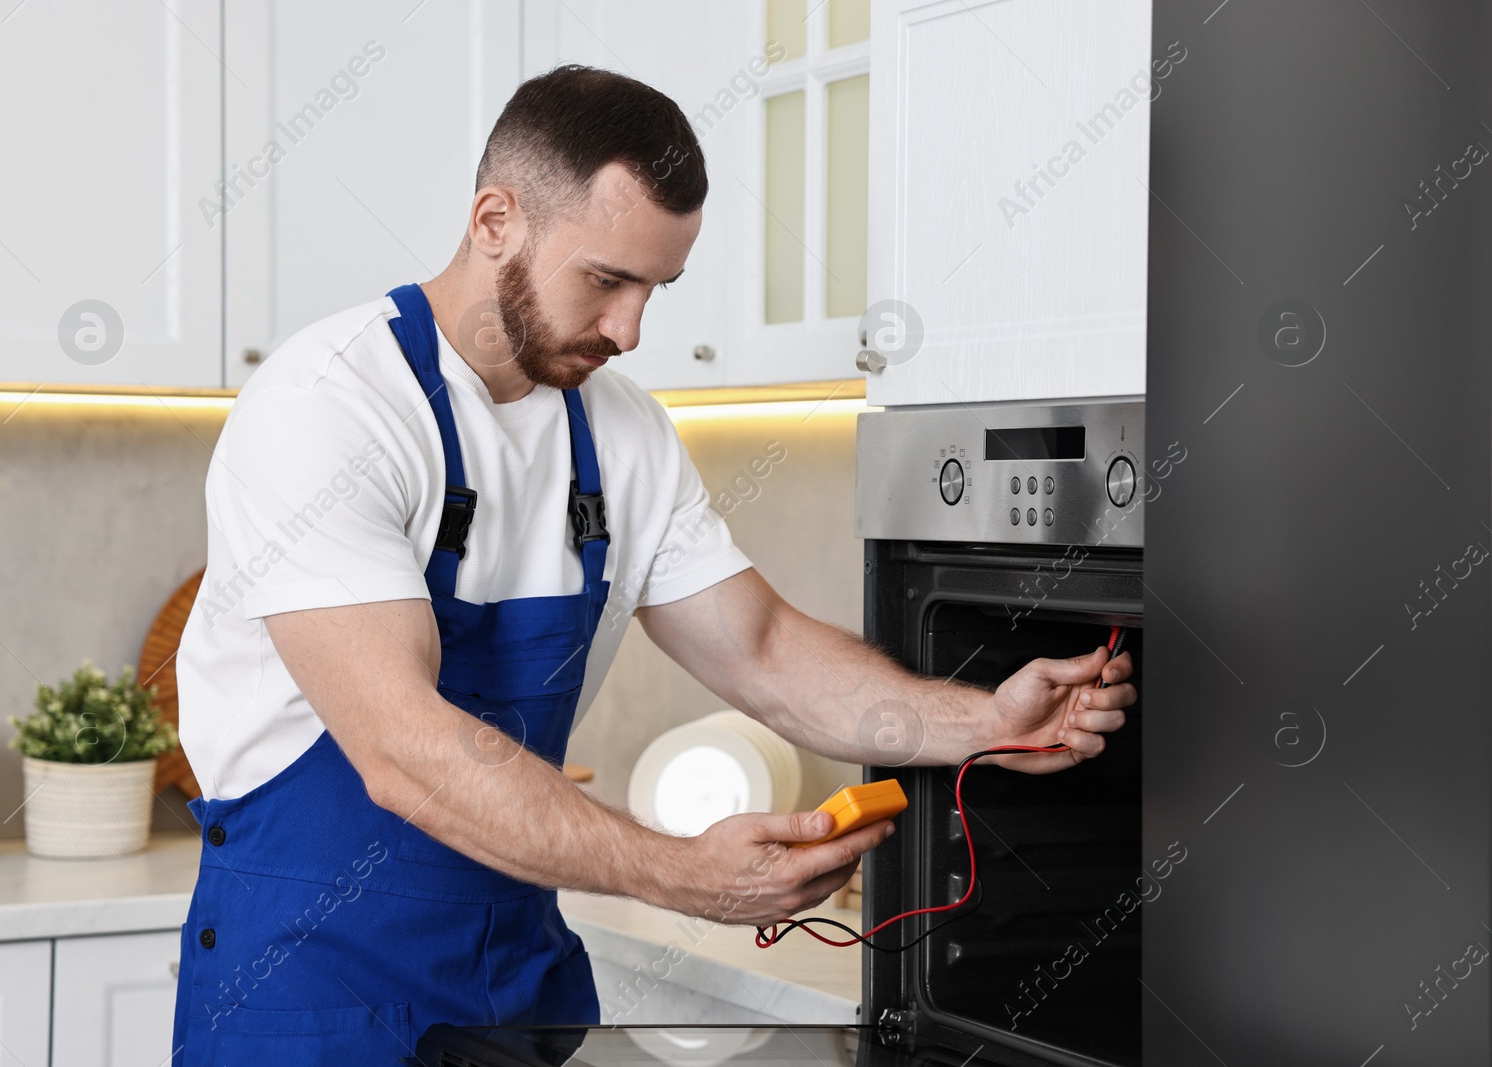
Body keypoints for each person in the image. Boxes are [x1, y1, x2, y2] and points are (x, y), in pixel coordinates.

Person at [168, 64, 1136, 1064]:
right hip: (310, 994)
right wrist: (676, 871)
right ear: (495, 219)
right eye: (606, 280)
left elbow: (759, 650)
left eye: (656, 289)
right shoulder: (328, 407)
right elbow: (403, 750)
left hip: (511, 988)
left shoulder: (619, 431)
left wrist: (984, 722)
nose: (630, 331)